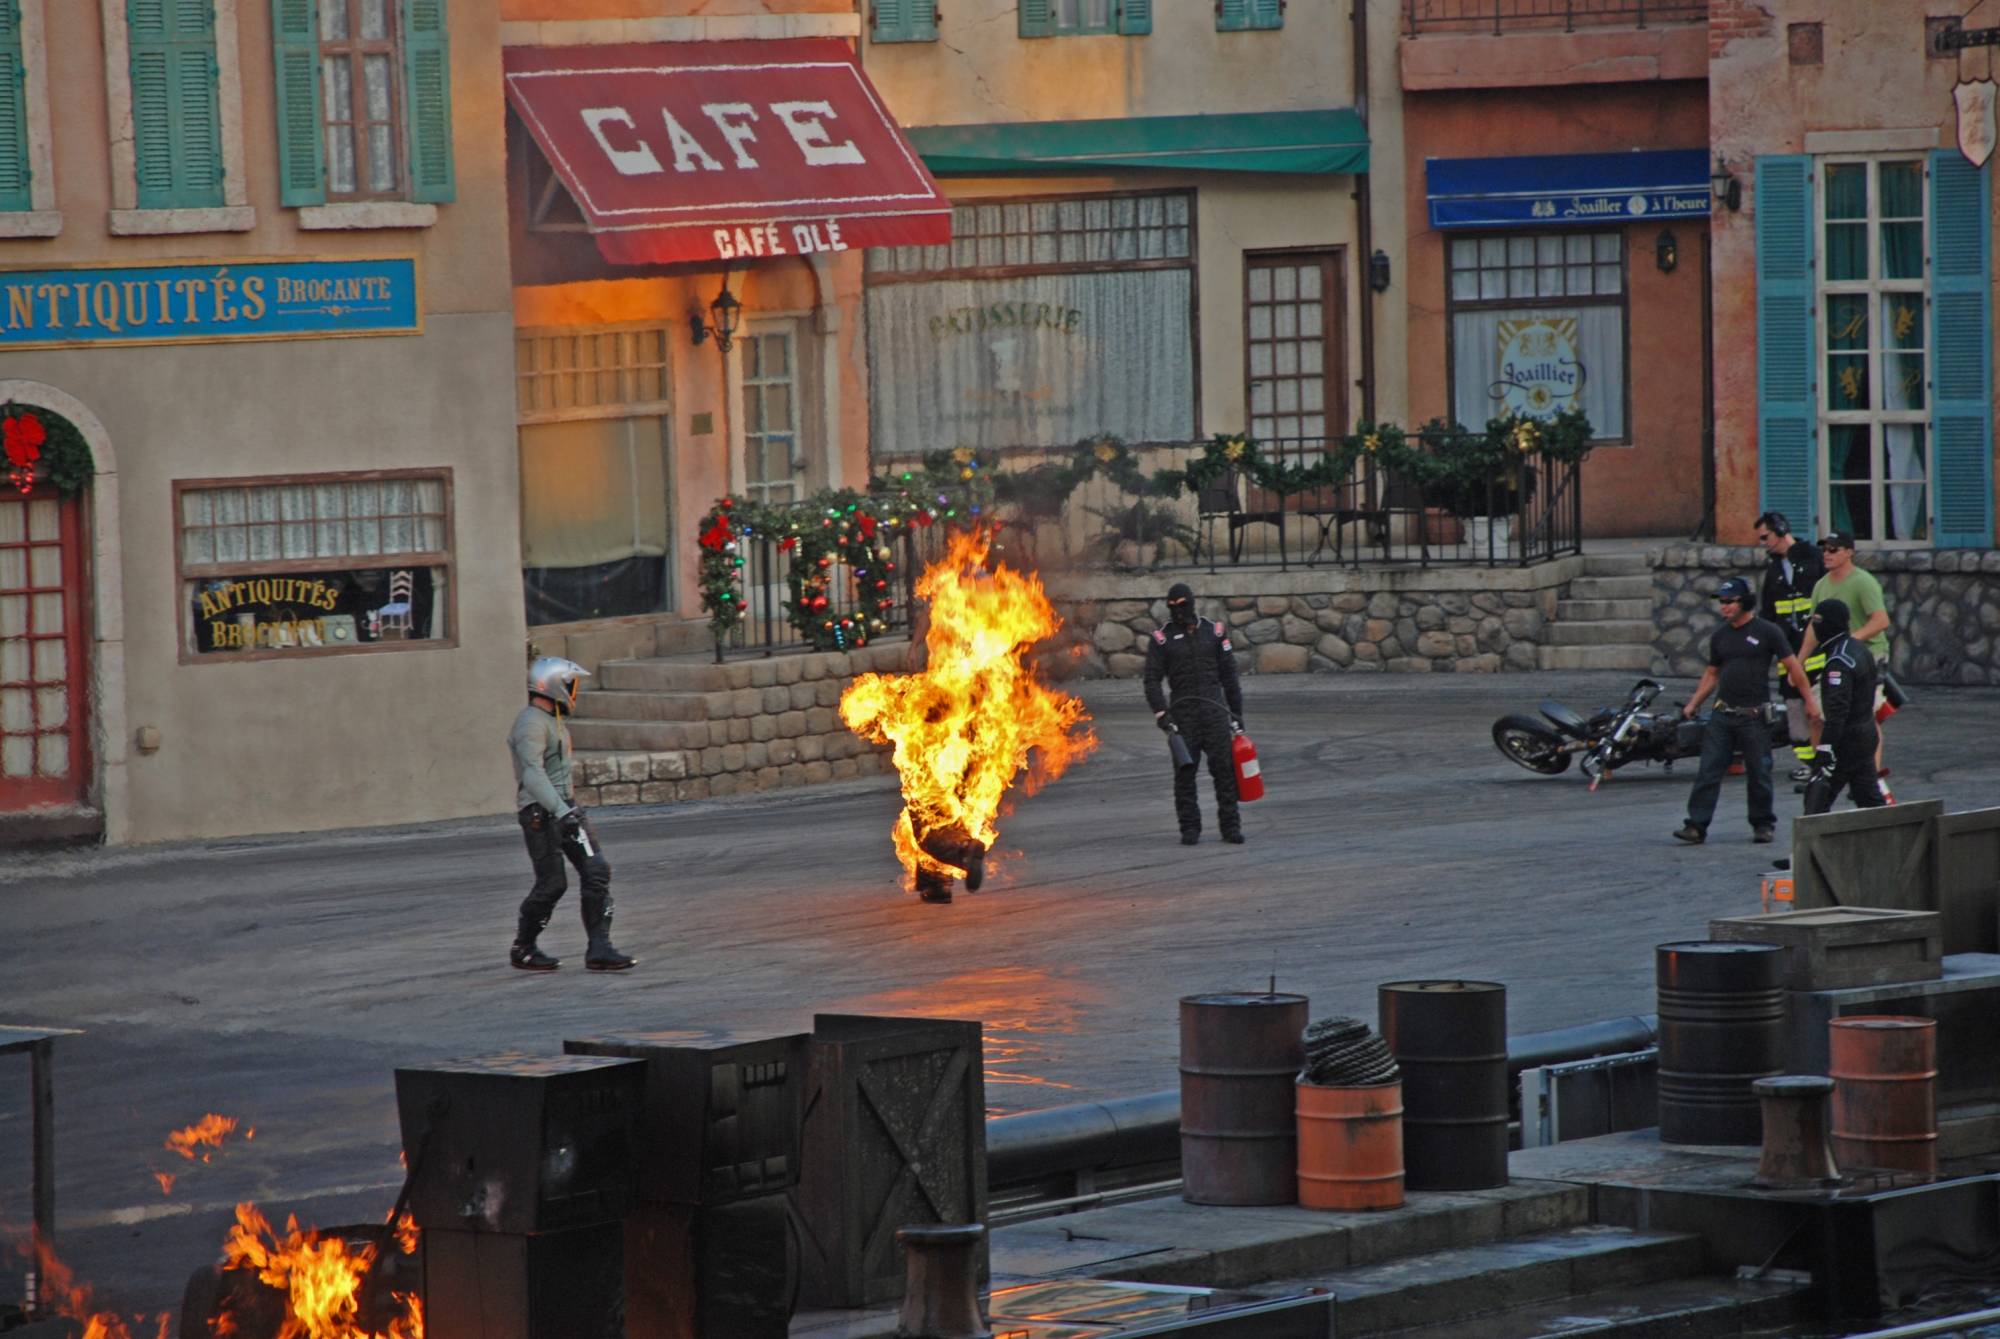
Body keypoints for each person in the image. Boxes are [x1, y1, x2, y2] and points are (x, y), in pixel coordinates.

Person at [508, 656, 635, 971]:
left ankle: (599, 947)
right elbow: (532, 775)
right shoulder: (531, 724)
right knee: (552, 884)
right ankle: (524, 947)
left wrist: (568, 810)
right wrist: (561, 811)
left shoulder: (553, 719)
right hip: (541, 814)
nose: (573, 690)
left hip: (565, 808)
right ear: (553, 684)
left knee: (597, 871)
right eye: (570, 683)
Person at [1673, 577, 1819, 846]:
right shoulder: (1720, 636)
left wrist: (1809, 701)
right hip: (1722, 714)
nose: (1724, 607)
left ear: (1745, 602)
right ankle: (1696, 825)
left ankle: (1763, 824)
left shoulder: (1768, 631)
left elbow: (1793, 666)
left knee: (1759, 772)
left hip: (1754, 716)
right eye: (1721, 602)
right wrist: (1694, 703)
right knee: (1708, 770)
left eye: (1729, 601)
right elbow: (1711, 673)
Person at [1143, 582, 1246, 845]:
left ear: (1192, 603)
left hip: (1214, 713)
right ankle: (1190, 829)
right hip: (1183, 717)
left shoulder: (1214, 633)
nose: (1178, 611)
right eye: (1173, 606)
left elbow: (1230, 677)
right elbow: (1151, 680)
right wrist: (1161, 714)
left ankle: (1231, 828)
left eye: (1182, 605)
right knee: (1185, 776)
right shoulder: (1161, 639)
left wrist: (1237, 715)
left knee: (1224, 773)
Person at [1797, 531, 1893, 775]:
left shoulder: (1863, 582)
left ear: (1849, 552)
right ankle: (1822, 771)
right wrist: (1798, 663)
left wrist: (1850, 641)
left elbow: (1881, 621)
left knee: (1867, 715)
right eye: (1824, 550)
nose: (1826, 555)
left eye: (1833, 550)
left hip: (1869, 654)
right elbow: (1813, 627)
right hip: (1838, 658)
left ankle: (1872, 774)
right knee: (1816, 714)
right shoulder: (1821, 585)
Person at [1800, 599, 1888, 815]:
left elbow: (1837, 713)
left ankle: (1809, 848)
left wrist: (1825, 749)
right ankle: (1888, 845)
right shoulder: (1859, 649)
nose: (1814, 629)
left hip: (1847, 741)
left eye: (1817, 623)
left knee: (1816, 801)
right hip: (1865, 734)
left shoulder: (1839, 661)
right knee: (1870, 802)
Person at [1754, 511, 1824, 780]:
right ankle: (1807, 762)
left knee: (1820, 710)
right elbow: (1768, 614)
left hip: (1818, 651)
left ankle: (1825, 761)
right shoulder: (1773, 572)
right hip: (1789, 655)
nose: (1763, 543)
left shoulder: (1814, 558)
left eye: (1765, 537)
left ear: (1781, 530)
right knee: (1794, 709)